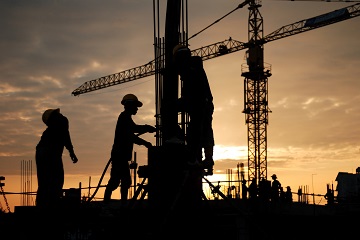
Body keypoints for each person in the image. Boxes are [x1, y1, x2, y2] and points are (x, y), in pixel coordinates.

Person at [103, 93, 156, 205]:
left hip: (121, 156)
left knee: (125, 182)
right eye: (135, 106)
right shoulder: (124, 118)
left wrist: (146, 129)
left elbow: (133, 131)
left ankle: (122, 206)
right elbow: (131, 135)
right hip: (119, 156)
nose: (137, 109)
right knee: (115, 182)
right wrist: (146, 138)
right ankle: (105, 208)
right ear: (129, 105)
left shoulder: (126, 118)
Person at [172, 44, 215, 173]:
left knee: (194, 130)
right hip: (203, 103)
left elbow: (192, 89)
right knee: (203, 129)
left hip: (197, 102)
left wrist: (180, 102)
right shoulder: (195, 66)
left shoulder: (188, 67)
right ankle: (206, 158)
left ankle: (193, 157)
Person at [35, 108, 78, 208]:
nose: (61, 115)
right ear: (52, 118)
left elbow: (65, 136)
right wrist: (71, 152)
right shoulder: (61, 122)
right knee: (55, 180)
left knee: (46, 182)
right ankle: (49, 205)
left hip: (44, 152)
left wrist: (71, 152)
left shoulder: (53, 127)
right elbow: (66, 136)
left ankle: (44, 205)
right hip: (48, 153)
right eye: (57, 114)